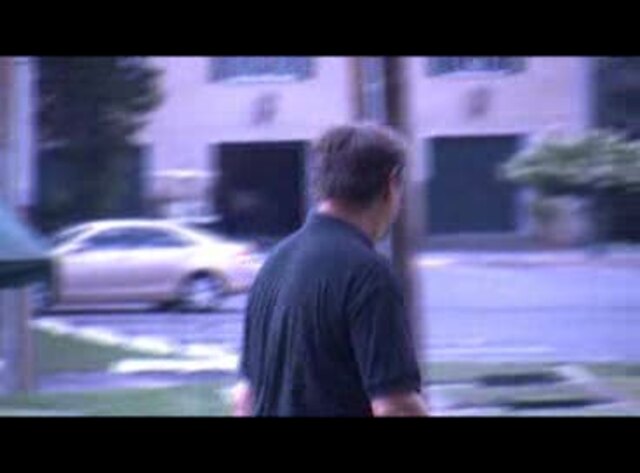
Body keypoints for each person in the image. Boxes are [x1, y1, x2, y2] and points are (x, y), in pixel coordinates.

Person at [233, 123, 427, 417]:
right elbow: (394, 407)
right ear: (391, 185)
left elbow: (244, 399)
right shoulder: (368, 275)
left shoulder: (273, 265)